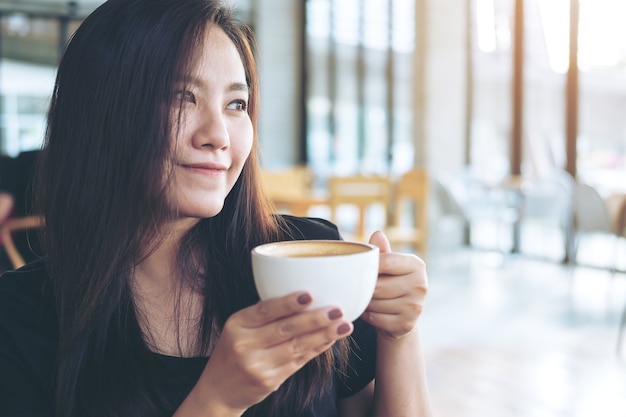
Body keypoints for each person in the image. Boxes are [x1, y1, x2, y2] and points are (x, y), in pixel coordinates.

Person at [0, 0, 432, 416]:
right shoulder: (20, 318)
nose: (218, 135)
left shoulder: (309, 256)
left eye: (236, 104)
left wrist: (400, 336)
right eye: (181, 97)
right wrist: (218, 400)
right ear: (102, 113)